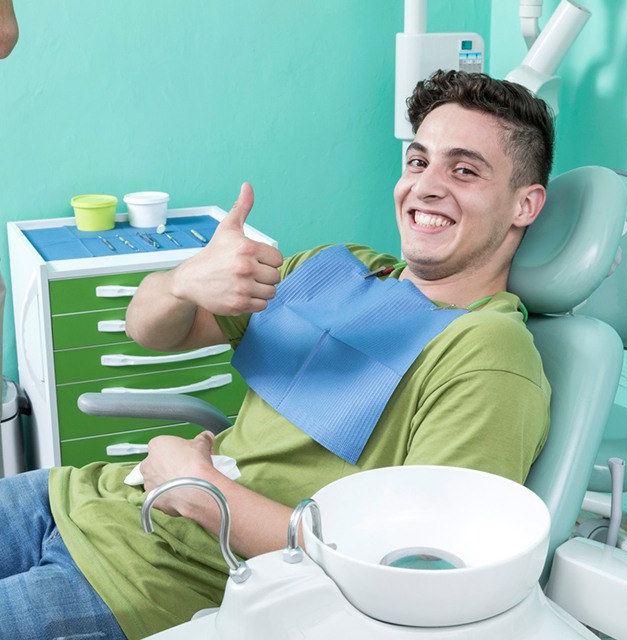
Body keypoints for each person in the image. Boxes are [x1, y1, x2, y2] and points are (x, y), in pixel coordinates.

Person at [0, 70, 554, 640]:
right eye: (418, 162)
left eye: (464, 170)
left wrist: (200, 494)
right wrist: (183, 281)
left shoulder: (488, 351)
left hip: (146, 579)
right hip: (76, 496)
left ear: (525, 205)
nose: (427, 186)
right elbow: (150, 331)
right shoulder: (334, 267)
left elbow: (415, 578)